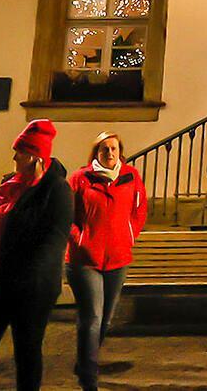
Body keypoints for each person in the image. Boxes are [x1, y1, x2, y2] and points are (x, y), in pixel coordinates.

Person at [0, 119, 71, 391]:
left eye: (20, 151)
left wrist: (23, 280)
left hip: (30, 291)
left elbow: (52, 242)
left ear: (35, 156)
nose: (14, 156)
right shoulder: (7, 186)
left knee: (27, 354)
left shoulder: (55, 190)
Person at [66, 132, 147, 391]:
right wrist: (80, 239)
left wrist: (130, 234)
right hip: (84, 260)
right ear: (96, 153)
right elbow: (66, 214)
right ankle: (88, 377)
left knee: (106, 320)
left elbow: (140, 209)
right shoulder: (80, 179)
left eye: (113, 149)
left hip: (118, 258)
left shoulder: (131, 176)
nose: (109, 153)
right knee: (92, 318)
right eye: (104, 149)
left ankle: (84, 361)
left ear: (120, 152)